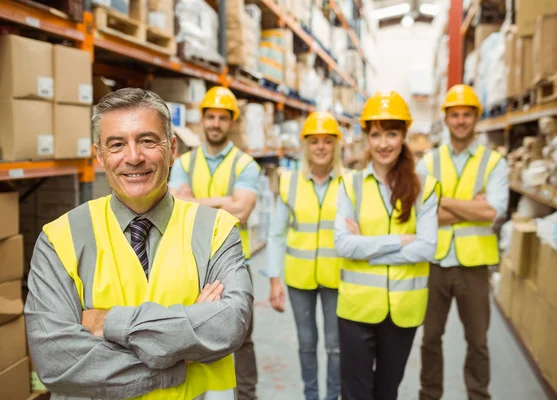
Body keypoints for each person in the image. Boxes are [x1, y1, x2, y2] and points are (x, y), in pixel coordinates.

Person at [24, 88, 253, 400]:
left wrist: (108, 322)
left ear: (172, 148)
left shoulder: (216, 230)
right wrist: (180, 354)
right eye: (117, 144)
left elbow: (228, 326)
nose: (133, 157)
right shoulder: (60, 239)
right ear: (99, 156)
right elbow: (55, 361)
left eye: (147, 140)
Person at [334, 91, 440, 400]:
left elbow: (427, 248)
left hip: (404, 310)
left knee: (387, 392)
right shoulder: (350, 185)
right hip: (357, 309)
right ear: (366, 136)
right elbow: (342, 245)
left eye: (392, 134)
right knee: (356, 394)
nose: (384, 144)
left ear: (404, 135)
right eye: (376, 134)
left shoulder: (425, 187)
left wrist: (366, 246)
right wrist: (397, 241)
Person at [417, 84, 509, 400]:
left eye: (466, 115)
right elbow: (420, 213)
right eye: (454, 115)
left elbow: (493, 211)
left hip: (474, 266)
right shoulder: (429, 162)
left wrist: (443, 201)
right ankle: (429, 395)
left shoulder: (494, 162)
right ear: (446, 118)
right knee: (430, 338)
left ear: (475, 118)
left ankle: (478, 395)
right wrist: (471, 206)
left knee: (478, 341)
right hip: (435, 262)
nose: (460, 121)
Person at [168, 85, 260, 400]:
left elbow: (244, 210)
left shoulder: (246, 164)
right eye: (211, 117)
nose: (216, 124)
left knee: (242, 337)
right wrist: (225, 200)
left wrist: (197, 203)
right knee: (191, 334)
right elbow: (178, 208)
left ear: (231, 121)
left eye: (223, 117)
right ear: (202, 120)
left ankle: (246, 395)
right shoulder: (182, 163)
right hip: (191, 264)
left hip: (234, 264)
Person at [266, 111, 344, 400]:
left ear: (336, 145)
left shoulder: (350, 182)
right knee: (307, 343)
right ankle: (312, 396)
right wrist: (275, 281)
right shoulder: (290, 182)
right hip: (300, 279)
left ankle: (332, 396)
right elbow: (276, 234)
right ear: (305, 145)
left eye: (327, 141)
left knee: (336, 347)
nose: (321, 147)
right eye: (314, 141)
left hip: (339, 278)